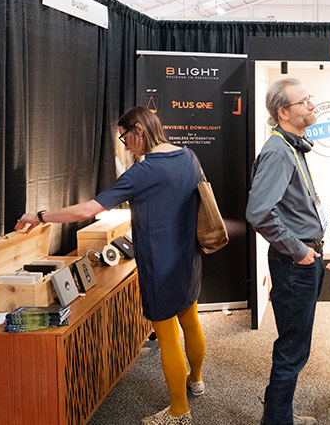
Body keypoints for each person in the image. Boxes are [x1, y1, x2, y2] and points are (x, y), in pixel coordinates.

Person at [15, 106, 205, 425]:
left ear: (139, 130)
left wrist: (41, 216)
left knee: (168, 335)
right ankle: (196, 380)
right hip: (188, 258)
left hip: (159, 265)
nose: (126, 147)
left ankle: (179, 412)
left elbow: (86, 210)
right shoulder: (189, 157)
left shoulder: (142, 173)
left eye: (125, 139)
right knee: (190, 319)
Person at [246, 78, 325, 425]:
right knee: (293, 349)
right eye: (304, 101)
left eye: (310, 98)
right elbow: (259, 212)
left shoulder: (293, 146)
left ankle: (280, 415)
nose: (312, 105)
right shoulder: (278, 151)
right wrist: (297, 250)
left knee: (294, 344)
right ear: (283, 112)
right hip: (296, 263)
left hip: (302, 260)